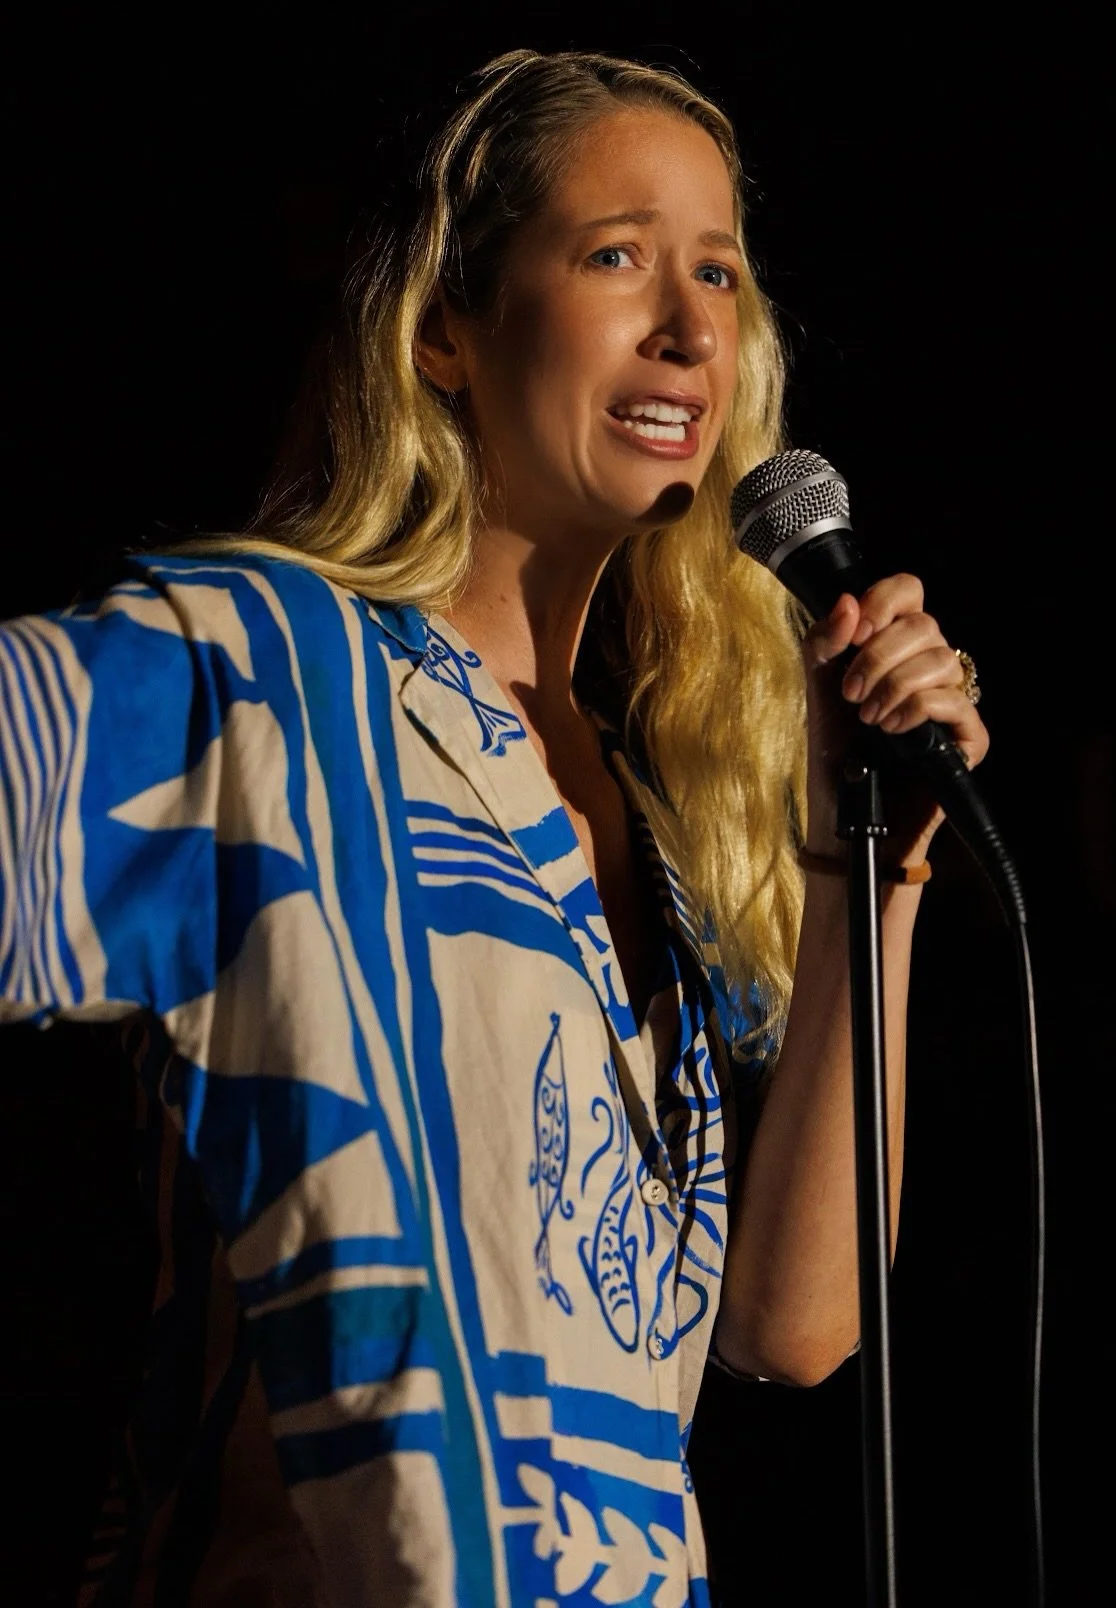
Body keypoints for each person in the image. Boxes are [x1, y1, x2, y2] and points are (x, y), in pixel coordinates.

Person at [0, 48, 988, 1608]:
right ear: (445, 331)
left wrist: (868, 863)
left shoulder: (651, 830)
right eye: (616, 256)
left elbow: (792, 1329)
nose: (688, 325)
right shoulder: (270, 670)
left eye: (718, 273)